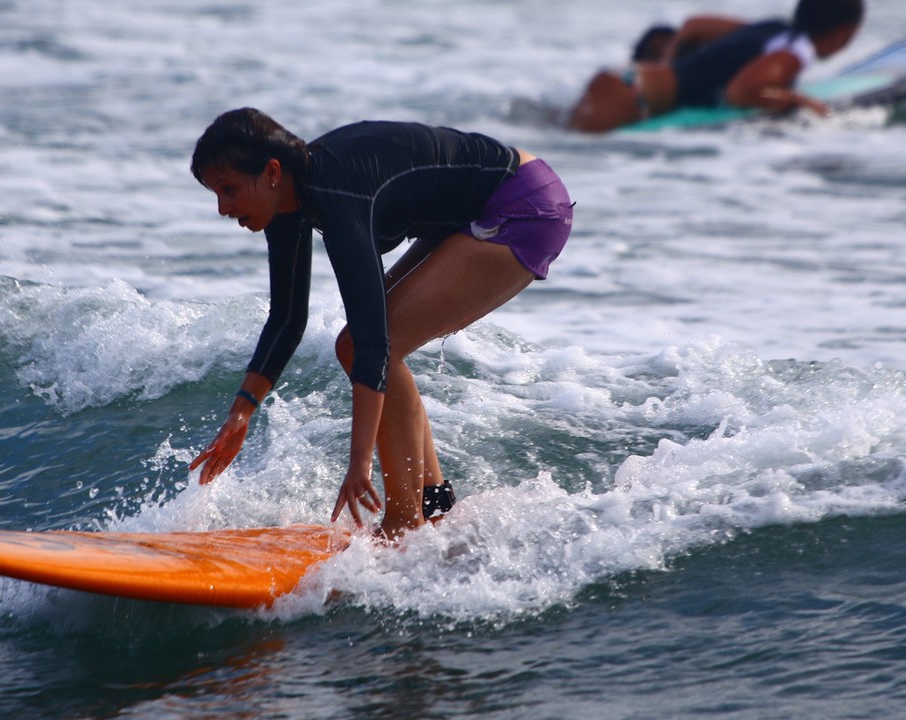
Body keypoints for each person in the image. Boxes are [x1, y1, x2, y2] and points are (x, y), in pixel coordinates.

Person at [187, 109, 574, 538]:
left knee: (366, 343)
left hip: (522, 206)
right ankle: (433, 504)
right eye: (215, 194)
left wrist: (359, 465)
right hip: (476, 210)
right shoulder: (288, 203)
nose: (223, 208)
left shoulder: (336, 191)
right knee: (360, 341)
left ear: (272, 172)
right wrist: (240, 414)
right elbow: (286, 319)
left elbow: (374, 345)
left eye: (228, 190)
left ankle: (403, 524)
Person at [568, 0, 864, 133]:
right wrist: (799, 100)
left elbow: (694, 26)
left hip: (627, 80)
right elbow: (742, 92)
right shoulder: (797, 52)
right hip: (633, 96)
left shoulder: (769, 30)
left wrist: (670, 68)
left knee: (555, 144)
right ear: (842, 34)